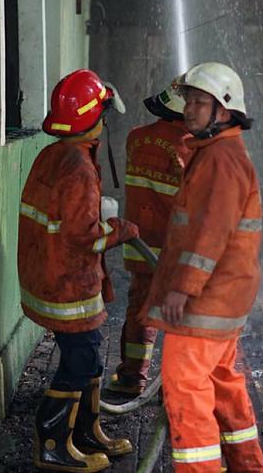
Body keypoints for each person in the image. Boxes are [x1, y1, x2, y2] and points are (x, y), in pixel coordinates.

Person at [145, 62, 263, 471]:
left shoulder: (220, 160)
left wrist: (182, 288)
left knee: (185, 388)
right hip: (224, 297)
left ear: (225, 111)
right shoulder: (217, 153)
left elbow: (210, 234)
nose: (190, 110)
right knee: (222, 384)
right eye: (190, 102)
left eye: (200, 103)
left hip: (205, 302)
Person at [18, 69, 140, 472]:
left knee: (89, 356)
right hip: (67, 285)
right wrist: (119, 229)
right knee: (81, 362)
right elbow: (83, 237)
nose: (106, 122)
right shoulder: (79, 168)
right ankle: (53, 443)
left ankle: (86, 432)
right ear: (93, 118)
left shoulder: (53, 155)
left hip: (47, 278)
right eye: (104, 114)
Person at [107, 77, 192, 395]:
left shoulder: (135, 138)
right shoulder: (191, 149)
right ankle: (176, 388)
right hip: (175, 252)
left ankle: (132, 378)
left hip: (139, 248)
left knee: (141, 311)